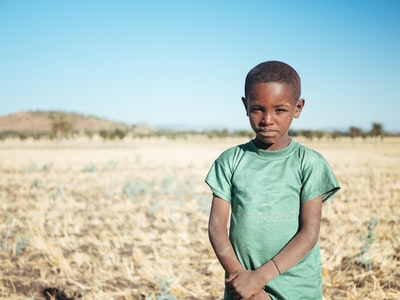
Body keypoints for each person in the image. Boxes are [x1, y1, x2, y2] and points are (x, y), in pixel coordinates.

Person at [205, 61, 340, 300]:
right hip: (243, 288)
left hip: (297, 289)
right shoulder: (230, 161)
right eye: (258, 108)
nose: (268, 119)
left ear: (298, 108)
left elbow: (309, 232)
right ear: (245, 106)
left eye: (280, 110)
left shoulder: (308, 163)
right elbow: (216, 228)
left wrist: (260, 278)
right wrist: (244, 280)